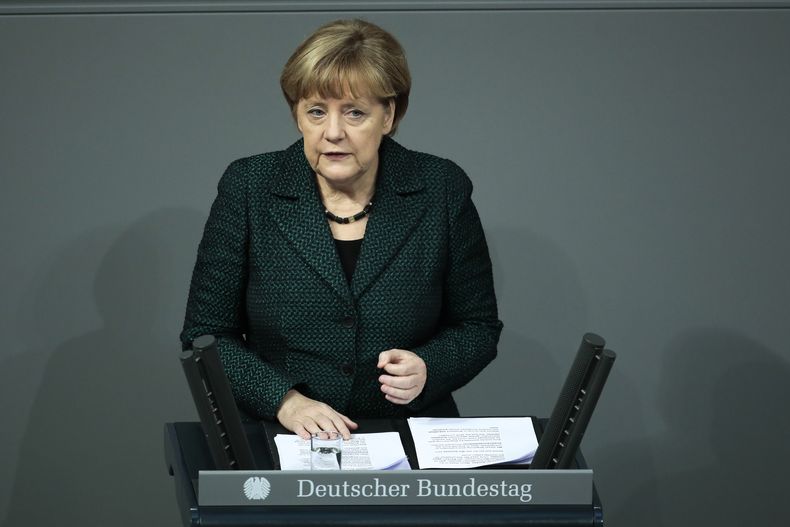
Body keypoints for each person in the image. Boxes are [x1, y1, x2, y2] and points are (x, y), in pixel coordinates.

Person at [180, 18, 502, 440]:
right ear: (297, 115)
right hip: (283, 436)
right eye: (316, 111)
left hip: (407, 435)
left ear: (389, 115)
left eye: (354, 112)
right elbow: (206, 336)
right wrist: (285, 401)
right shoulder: (249, 186)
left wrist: (429, 368)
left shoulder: (440, 187)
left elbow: (477, 327)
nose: (333, 132)